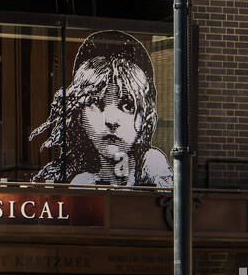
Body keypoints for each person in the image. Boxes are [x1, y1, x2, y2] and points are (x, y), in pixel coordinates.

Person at [30, 30, 172, 188]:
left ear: (145, 117)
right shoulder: (79, 181)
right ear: (79, 114)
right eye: (96, 103)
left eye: (127, 106)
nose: (112, 120)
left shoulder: (153, 165)